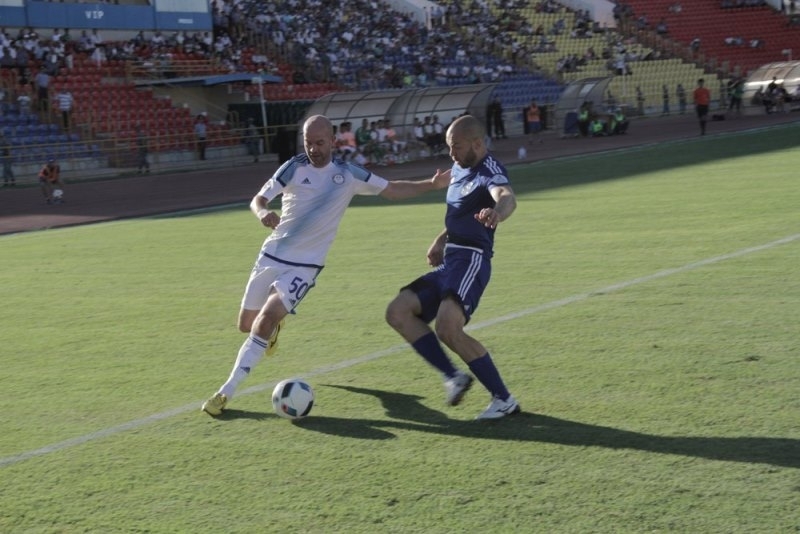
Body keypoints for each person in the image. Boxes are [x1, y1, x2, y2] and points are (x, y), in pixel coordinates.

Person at [201, 114, 452, 416]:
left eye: (319, 143)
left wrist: (432, 184)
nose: (313, 149)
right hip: (272, 255)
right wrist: (263, 213)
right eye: (308, 143)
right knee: (247, 325)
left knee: (264, 321)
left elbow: (392, 189)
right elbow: (258, 199)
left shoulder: (348, 174)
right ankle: (275, 326)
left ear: (333, 141)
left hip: (305, 266)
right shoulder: (293, 167)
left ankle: (224, 393)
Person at [385, 114, 520, 420]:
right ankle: (453, 376)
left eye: (456, 146)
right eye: (449, 146)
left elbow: (507, 197)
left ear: (477, 143)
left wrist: (498, 213)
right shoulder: (459, 168)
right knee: (398, 311)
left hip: (471, 259)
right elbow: (460, 213)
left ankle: (504, 400)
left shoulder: (489, 169)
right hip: (451, 261)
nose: (451, 153)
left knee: (448, 327)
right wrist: (440, 239)